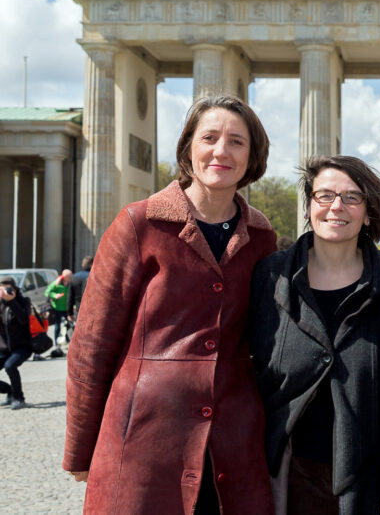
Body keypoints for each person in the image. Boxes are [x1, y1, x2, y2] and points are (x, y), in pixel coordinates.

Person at [62, 95, 277, 513]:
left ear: (252, 156)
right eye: (209, 138)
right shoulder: (139, 223)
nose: (221, 151)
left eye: (237, 141)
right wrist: (81, 447)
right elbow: (91, 343)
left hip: (233, 440)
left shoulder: (262, 237)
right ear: (188, 148)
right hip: (143, 432)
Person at [248, 156, 380, 514]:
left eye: (351, 197)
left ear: (368, 210)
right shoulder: (269, 276)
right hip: (286, 474)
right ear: (309, 205)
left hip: (369, 479)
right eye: (324, 195)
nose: (336, 206)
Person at [0, 276, 31, 410]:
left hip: (22, 347)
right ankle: (10, 391)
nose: (6, 291)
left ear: (15, 289)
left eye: (9, 288)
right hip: (3, 348)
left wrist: (12, 301)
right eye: (3, 288)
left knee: (10, 366)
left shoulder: (23, 301)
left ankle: (19, 398)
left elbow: (24, 319)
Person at [44, 269, 72, 355]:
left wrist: (73, 306)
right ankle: (56, 343)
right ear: (64, 277)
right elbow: (47, 292)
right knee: (57, 326)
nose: (70, 278)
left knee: (70, 325)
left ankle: (69, 342)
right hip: (57, 308)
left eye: (71, 276)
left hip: (67, 308)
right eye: (69, 277)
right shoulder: (57, 283)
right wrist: (54, 295)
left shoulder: (71, 284)